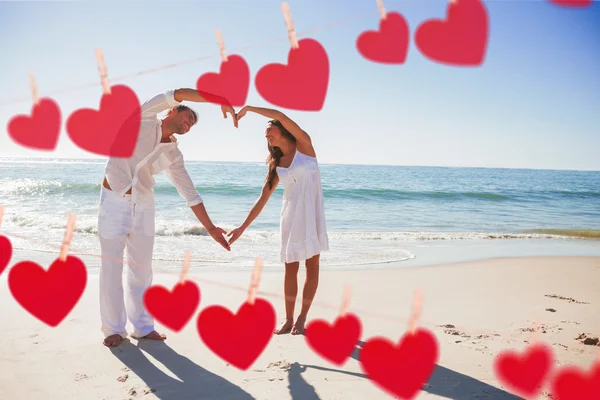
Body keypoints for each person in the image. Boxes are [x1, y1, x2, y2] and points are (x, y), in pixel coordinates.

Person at [98, 88, 236, 347]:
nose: (189, 124)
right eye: (187, 117)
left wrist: (211, 228)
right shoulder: (144, 117)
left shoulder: (173, 155)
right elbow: (181, 92)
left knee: (141, 270)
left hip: (144, 207)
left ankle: (142, 327)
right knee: (111, 267)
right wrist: (220, 97)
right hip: (113, 202)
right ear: (173, 109)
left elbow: (190, 194)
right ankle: (112, 329)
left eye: (192, 125)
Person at [227, 105, 329, 335]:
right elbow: (262, 199)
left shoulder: (305, 147)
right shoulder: (277, 164)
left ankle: (302, 317)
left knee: (312, 267)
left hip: (311, 215)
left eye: (269, 128)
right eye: (265, 132)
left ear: (282, 129)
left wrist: (249, 109)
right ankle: (289, 318)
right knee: (290, 269)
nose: (266, 134)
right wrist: (242, 228)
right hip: (291, 217)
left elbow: (280, 115)